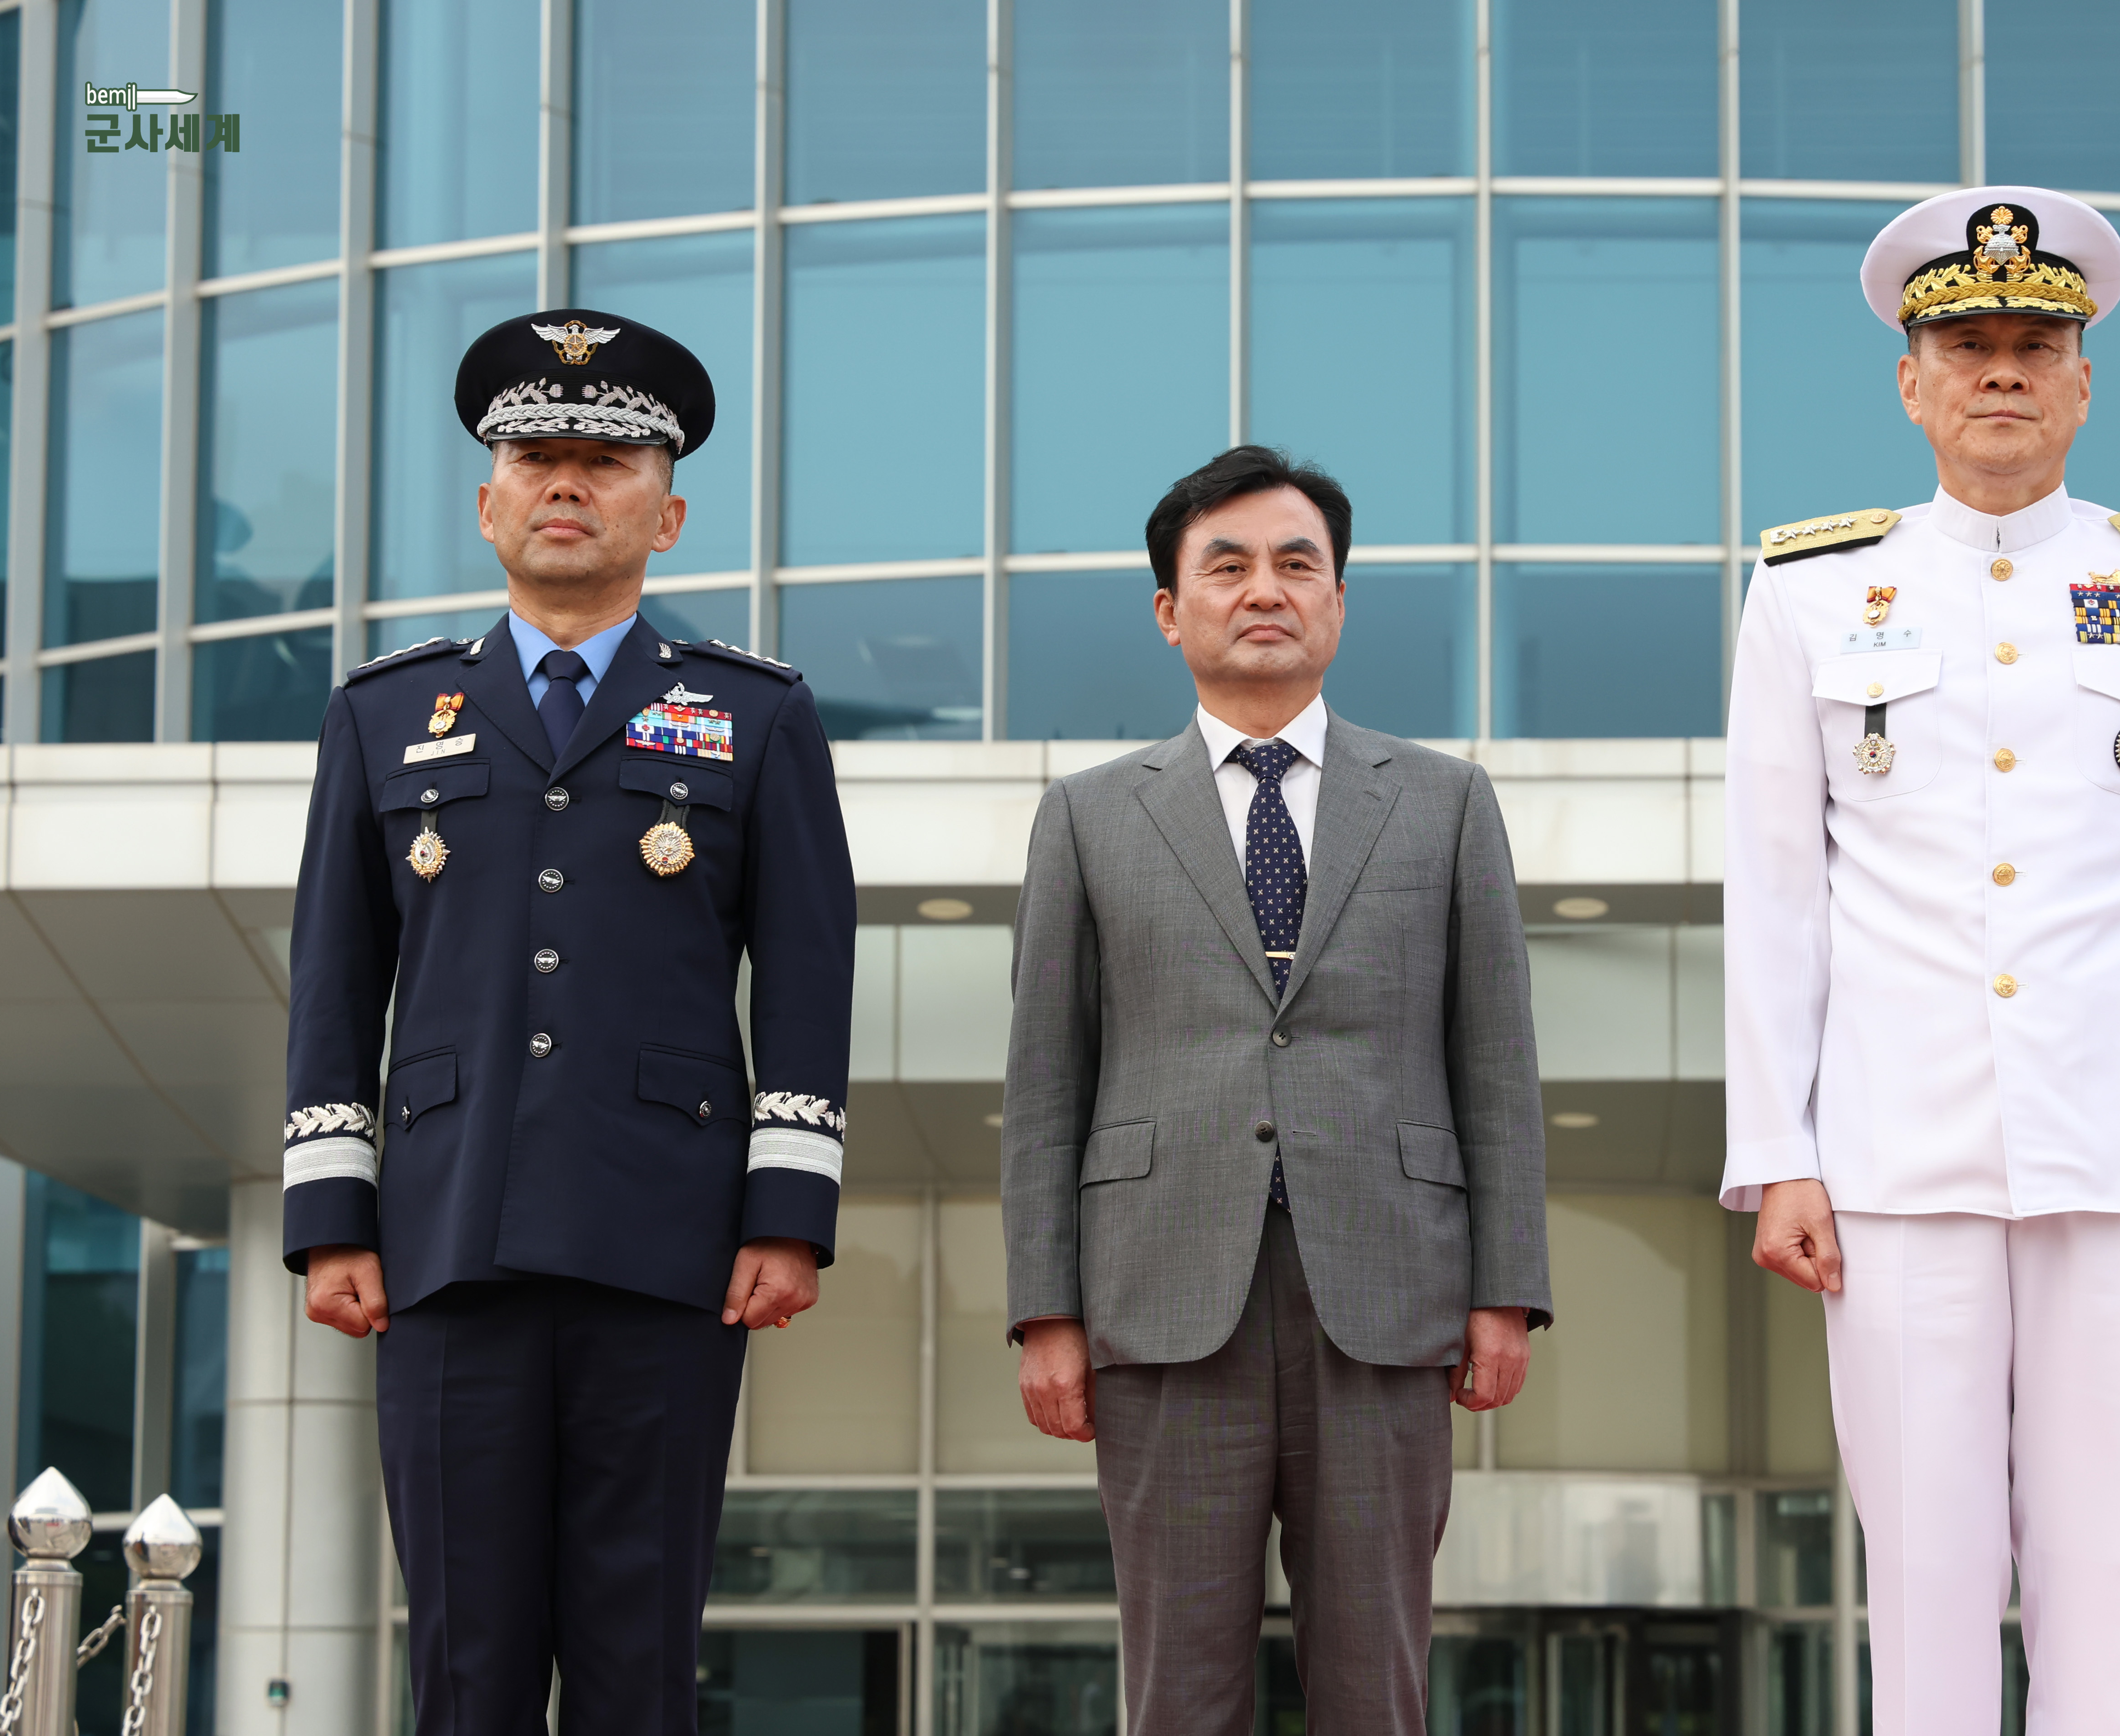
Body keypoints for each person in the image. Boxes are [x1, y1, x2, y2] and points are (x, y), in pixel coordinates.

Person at [1723, 188, 2120, 1735]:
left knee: (2102, 1570)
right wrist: (1776, 1155)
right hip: (1894, 1152)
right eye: (1966, 344)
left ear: (2081, 382)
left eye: (2034, 345)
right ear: (1910, 381)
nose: (2000, 370)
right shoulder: (1808, 590)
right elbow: (1777, 895)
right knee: (1921, 1575)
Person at [282, 308, 856, 1735]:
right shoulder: (382, 714)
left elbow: (806, 970)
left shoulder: (756, 715)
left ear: (667, 514)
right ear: (488, 506)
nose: (565, 485)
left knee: (636, 1662)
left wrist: (788, 1213)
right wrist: (331, 1216)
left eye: (604, 463)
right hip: (443, 1241)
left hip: (666, 1245)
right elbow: (336, 975)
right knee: (464, 1666)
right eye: (536, 459)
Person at [1000, 446, 1552, 1735]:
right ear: (1169, 609)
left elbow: (1495, 1061)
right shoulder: (1086, 816)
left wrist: (1505, 1292)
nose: (1265, 590)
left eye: (1298, 564)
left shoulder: (1445, 801)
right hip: (1160, 1299)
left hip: (1389, 1295)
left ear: (1338, 601)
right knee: (1179, 1691)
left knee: (1377, 1684)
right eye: (1228, 566)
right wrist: (1045, 1312)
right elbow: (1045, 1080)